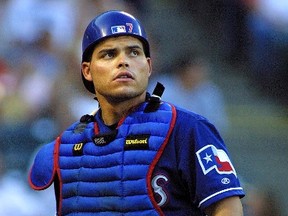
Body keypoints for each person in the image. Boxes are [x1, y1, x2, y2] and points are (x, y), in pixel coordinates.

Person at [28, 10, 245, 215]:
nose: (123, 61)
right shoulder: (65, 148)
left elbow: (227, 208)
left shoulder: (187, 130)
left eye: (134, 52)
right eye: (109, 54)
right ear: (87, 71)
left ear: (148, 66)